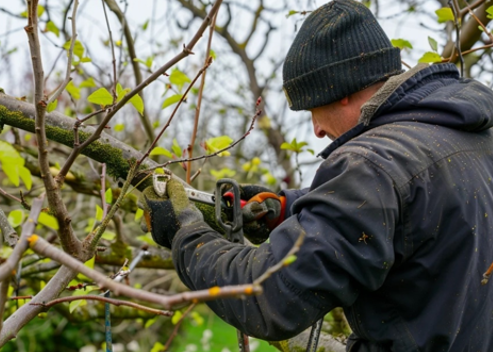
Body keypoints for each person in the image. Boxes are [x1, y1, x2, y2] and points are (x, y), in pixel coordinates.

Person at [140, 0, 493, 350]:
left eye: (313, 108)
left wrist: (185, 235)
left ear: (341, 91)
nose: (316, 131)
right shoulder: (466, 135)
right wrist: (289, 208)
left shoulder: (370, 166)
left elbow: (267, 298)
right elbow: (405, 204)